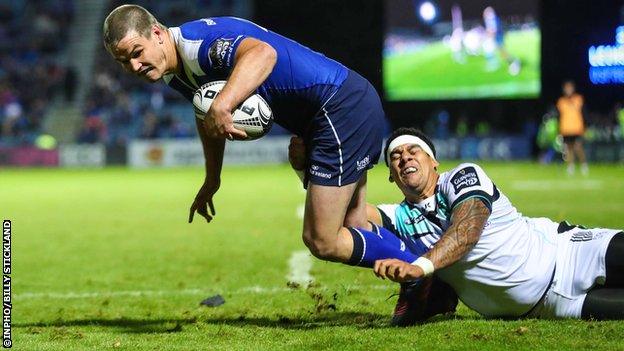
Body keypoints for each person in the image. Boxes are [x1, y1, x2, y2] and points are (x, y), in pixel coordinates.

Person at [103, 6, 420, 278]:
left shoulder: (199, 46)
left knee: (322, 238)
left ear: (157, 33)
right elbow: (207, 116)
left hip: (339, 108)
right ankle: (423, 276)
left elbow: (262, 54)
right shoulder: (175, 70)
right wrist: (213, 178)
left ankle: (425, 271)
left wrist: (224, 104)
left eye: (136, 52)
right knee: (355, 223)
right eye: (122, 61)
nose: (133, 66)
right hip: (337, 109)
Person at [368, 127, 624, 322]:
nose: (405, 158)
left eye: (414, 151)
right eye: (396, 156)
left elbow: (467, 230)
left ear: (433, 161)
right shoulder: (398, 217)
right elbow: (346, 221)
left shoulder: (462, 176)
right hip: (551, 307)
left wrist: (421, 267)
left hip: (570, 253)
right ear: (391, 174)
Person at [556, 80, 588, 175]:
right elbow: (559, 117)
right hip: (566, 129)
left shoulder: (579, 99)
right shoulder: (561, 102)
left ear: (573, 89)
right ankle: (570, 167)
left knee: (578, 147)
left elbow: (584, 114)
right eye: (567, 88)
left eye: (570, 88)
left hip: (577, 128)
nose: (568, 90)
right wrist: (559, 129)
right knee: (568, 149)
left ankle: (584, 165)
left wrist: (585, 127)